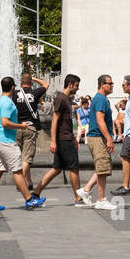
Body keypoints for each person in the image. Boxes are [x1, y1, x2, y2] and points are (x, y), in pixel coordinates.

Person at [0, 77, 45, 211]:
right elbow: (5, 122)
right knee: (17, 172)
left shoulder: (0, 100)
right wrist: (20, 126)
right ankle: (29, 200)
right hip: (7, 142)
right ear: (12, 87)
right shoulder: (7, 102)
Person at [31, 74, 83, 204]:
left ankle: (36, 192)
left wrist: (74, 137)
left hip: (66, 137)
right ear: (70, 85)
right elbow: (54, 120)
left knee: (57, 169)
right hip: (64, 139)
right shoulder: (61, 98)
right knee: (74, 168)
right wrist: (53, 141)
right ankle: (79, 197)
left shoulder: (66, 99)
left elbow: (67, 121)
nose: (77, 88)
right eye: (76, 85)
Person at [76, 75, 117, 210]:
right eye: (110, 83)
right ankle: (101, 200)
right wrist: (109, 139)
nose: (112, 86)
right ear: (102, 84)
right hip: (98, 137)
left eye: (112, 83)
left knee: (103, 167)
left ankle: (86, 190)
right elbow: (100, 121)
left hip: (98, 137)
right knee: (103, 167)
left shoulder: (101, 99)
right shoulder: (100, 99)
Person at [13, 72, 47, 195]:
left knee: (21, 156)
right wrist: (34, 78)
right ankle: (20, 182)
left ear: (21, 82)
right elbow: (45, 84)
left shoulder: (14, 93)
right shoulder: (35, 93)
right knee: (27, 157)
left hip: (17, 127)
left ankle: (29, 182)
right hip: (30, 127)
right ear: (31, 83)